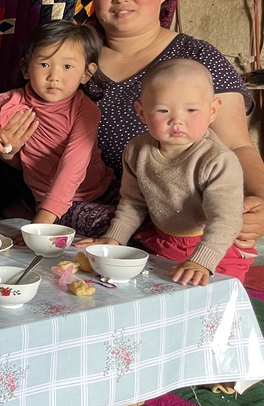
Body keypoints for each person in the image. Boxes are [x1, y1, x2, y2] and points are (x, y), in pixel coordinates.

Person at [81, 0, 264, 251]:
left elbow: (237, 146)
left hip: (183, 228)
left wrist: (260, 200)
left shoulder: (197, 58)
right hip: (97, 220)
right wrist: (9, 151)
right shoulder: (75, 63)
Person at [81, 59, 249, 285]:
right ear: (142, 112)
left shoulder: (218, 160)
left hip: (215, 248)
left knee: (215, 298)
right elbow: (133, 201)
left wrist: (202, 261)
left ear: (212, 110)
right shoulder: (137, 150)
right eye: (163, 110)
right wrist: (114, 238)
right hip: (163, 241)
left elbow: (225, 219)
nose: (177, 120)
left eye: (191, 110)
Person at [0, 20, 114, 234]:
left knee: (142, 216)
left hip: (104, 188)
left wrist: (39, 223)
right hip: (57, 203)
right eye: (44, 64)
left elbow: (74, 164)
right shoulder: (12, 102)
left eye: (67, 66)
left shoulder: (85, 110)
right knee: (110, 225)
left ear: (87, 73)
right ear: (26, 68)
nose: (54, 76)